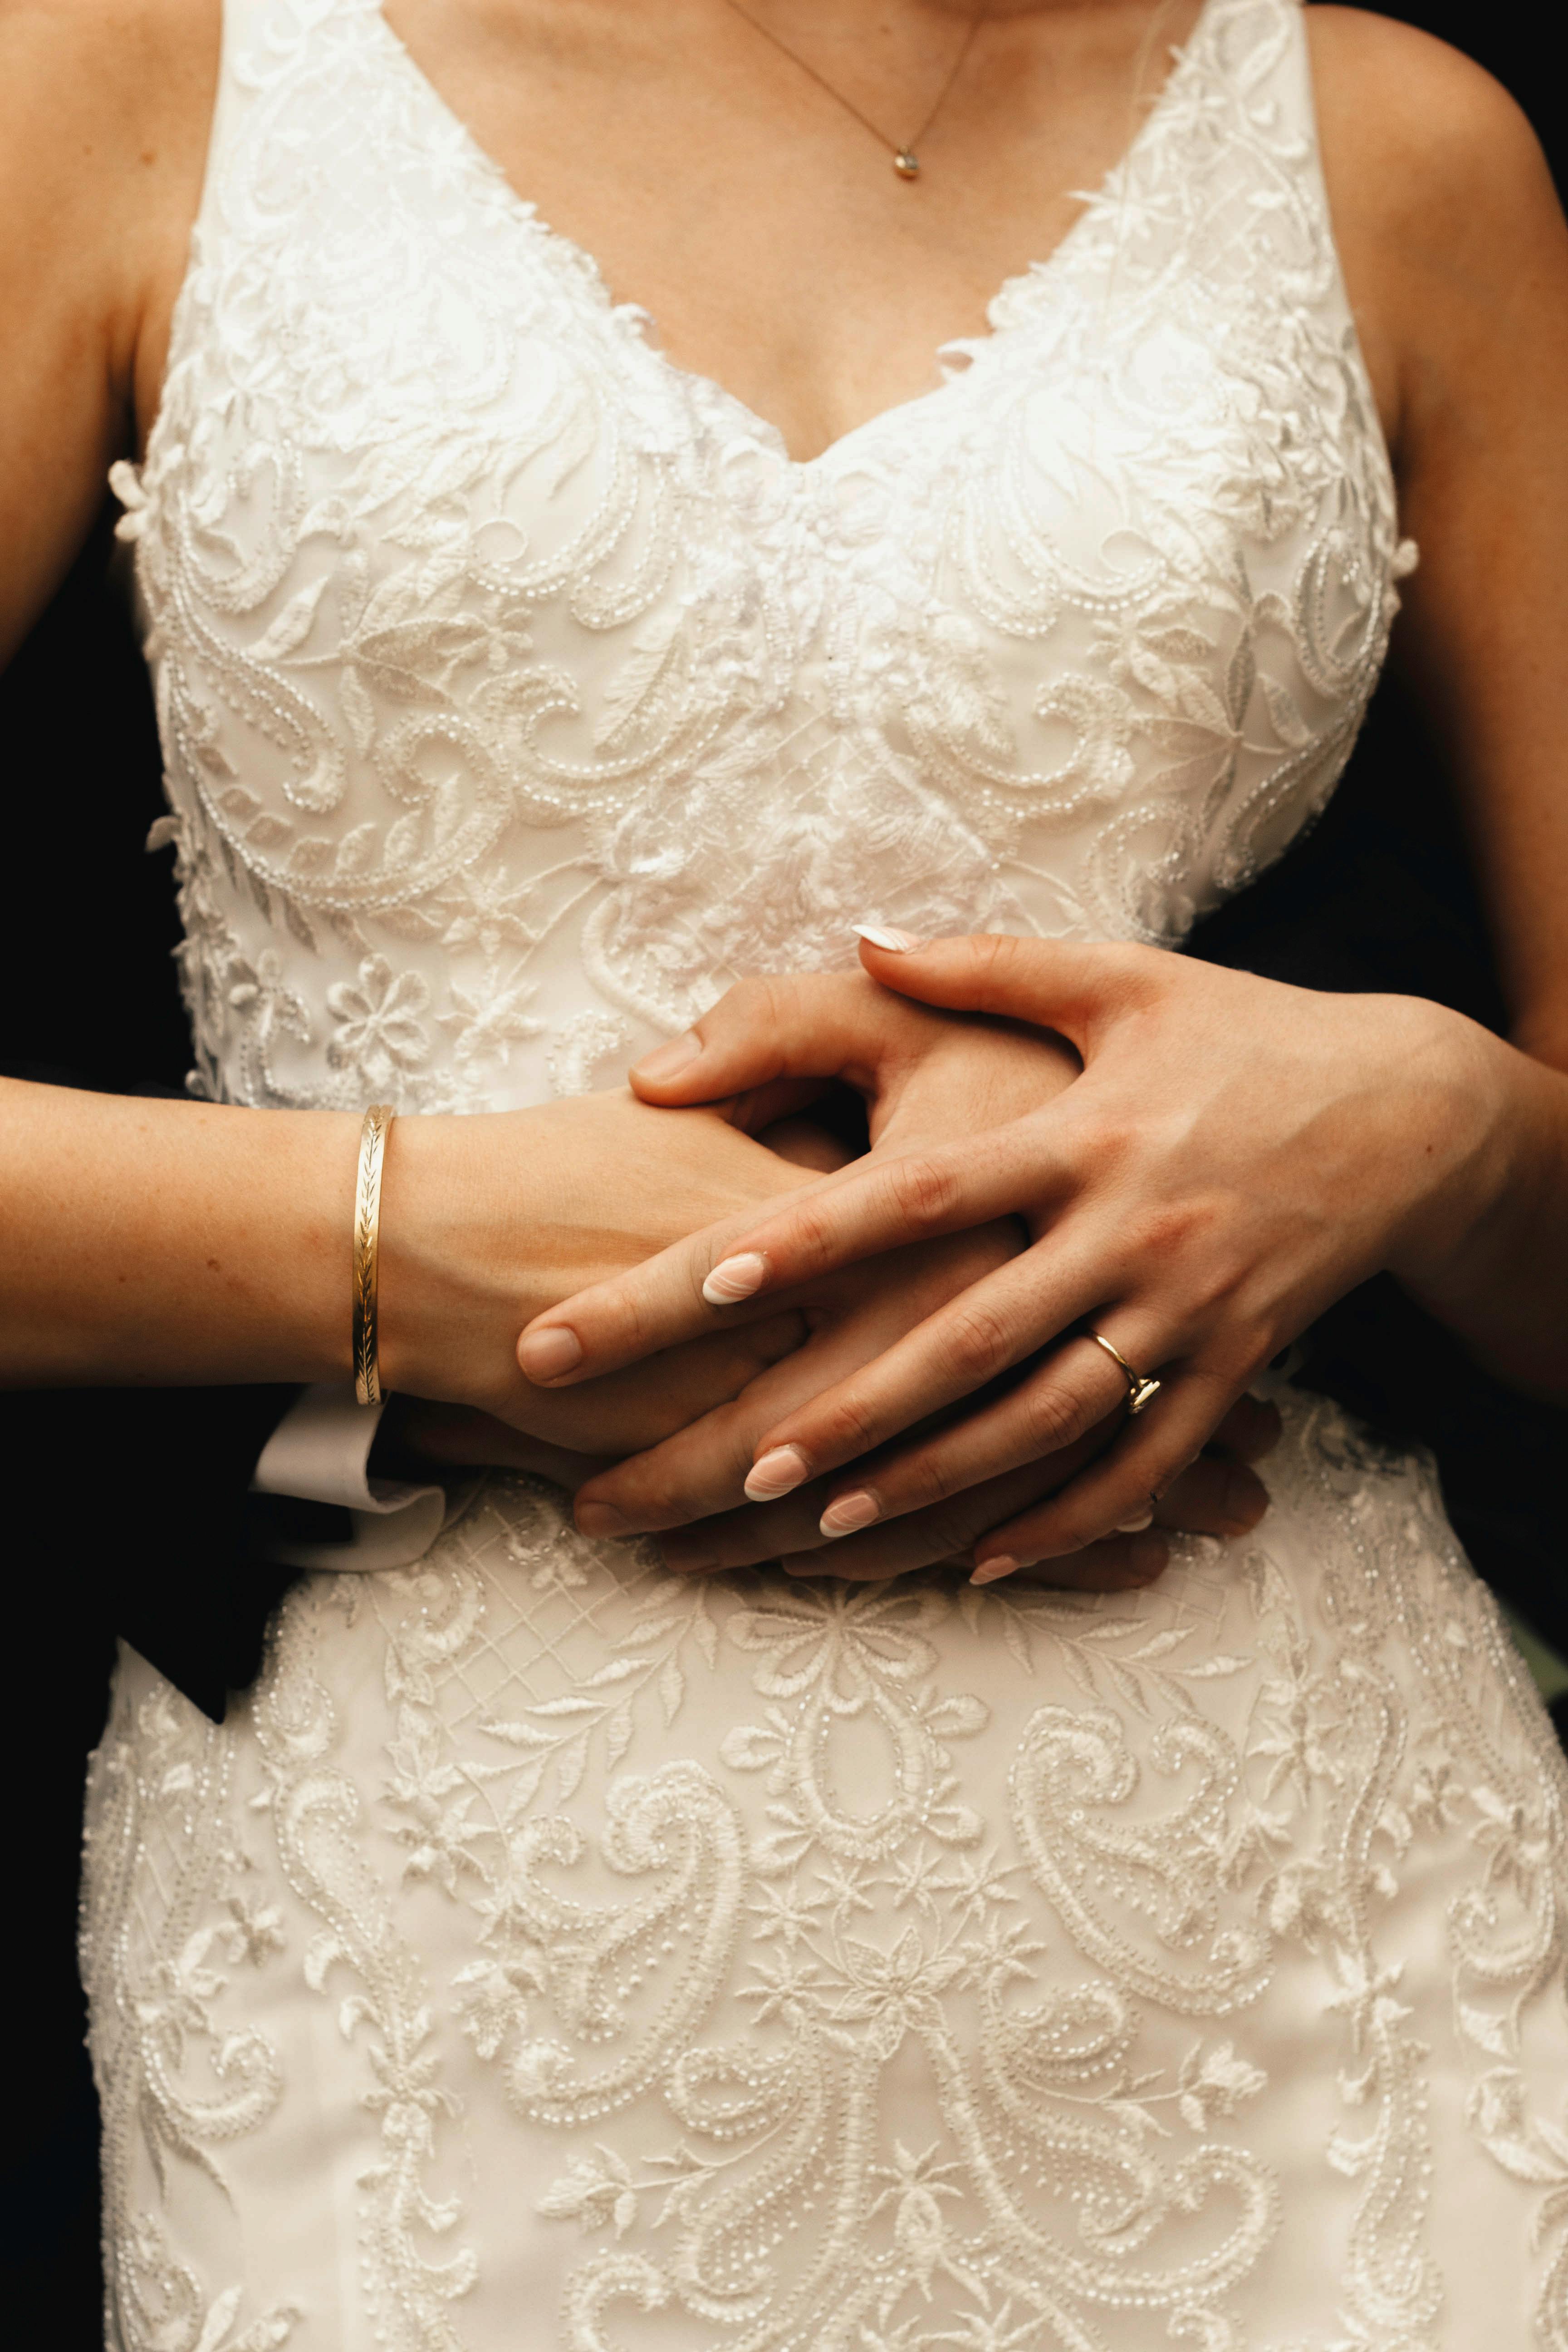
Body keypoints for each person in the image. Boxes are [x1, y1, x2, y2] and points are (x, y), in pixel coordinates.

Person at [4, 0, 1568, 2342]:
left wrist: (1429, 1126)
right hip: (448, 1932)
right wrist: (386, 1244)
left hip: (1296, 1905)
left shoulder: (1402, 146)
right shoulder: (129, 75)